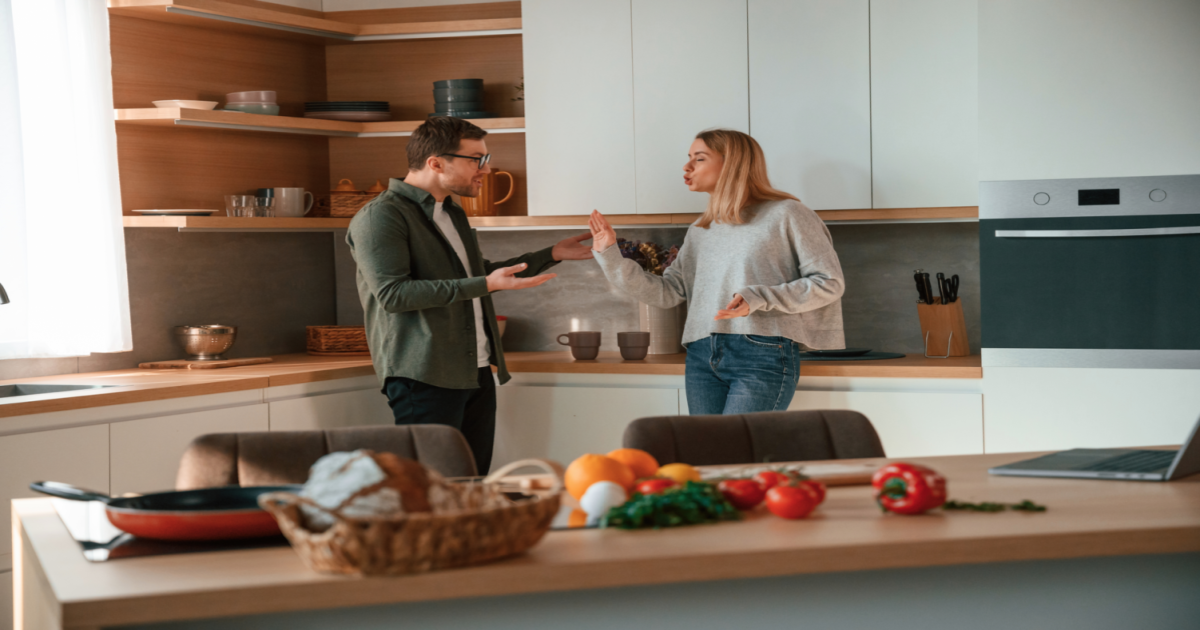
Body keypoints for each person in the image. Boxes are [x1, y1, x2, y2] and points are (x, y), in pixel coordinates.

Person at [348, 117, 593, 474]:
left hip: (474, 370)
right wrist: (486, 284)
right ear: (436, 163)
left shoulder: (450, 211)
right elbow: (394, 294)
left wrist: (551, 253)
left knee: (472, 485)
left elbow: (477, 273)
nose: (487, 168)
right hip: (423, 375)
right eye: (476, 159)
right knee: (432, 490)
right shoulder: (381, 217)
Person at [589, 129, 845, 415]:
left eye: (699, 159)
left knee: (741, 454)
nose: (686, 167)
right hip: (701, 353)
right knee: (709, 456)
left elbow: (828, 283)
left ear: (732, 163)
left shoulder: (788, 214)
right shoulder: (701, 229)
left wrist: (758, 297)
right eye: (688, 159)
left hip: (761, 351)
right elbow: (668, 293)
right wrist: (609, 254)